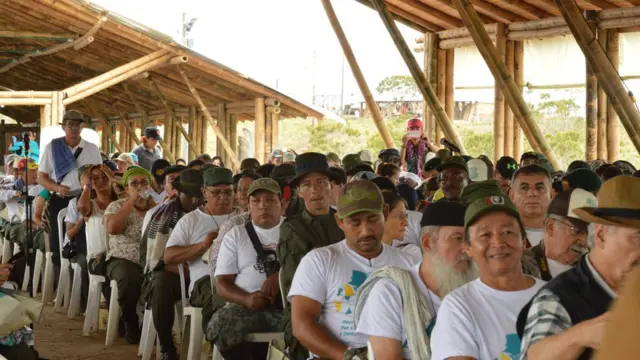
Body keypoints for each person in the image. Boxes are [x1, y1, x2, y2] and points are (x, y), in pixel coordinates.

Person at [288, 180, 418, 359]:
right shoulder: (320, 260)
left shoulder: (408, 262)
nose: (365, 231)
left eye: (372, 219)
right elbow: (302, 324)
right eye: (354, 222)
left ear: (385, 213)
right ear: (339, 221)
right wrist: (350, 357)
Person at [517, 176, 640, 360]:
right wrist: (580, 336)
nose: (581, 240)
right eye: (637, 238)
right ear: (601, 236)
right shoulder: (559, 300)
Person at [430, 180, 545, 360]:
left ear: (524, 241)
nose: (498, 243)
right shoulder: (459, 306)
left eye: (508, 232)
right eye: (485, 235)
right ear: (467, 247)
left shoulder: (553, 296)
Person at [355, 201, 478, 359]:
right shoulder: (391, 292)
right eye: (458, 238)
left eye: (470, 240)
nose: (466, 248)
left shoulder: (478, 289)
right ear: (427, 243)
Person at [277, 152, 345, 360]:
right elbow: (297, 281)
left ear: (330, 186)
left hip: (347, 299)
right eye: (307, 185)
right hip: (307, 306)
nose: (315, 190)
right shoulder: (293, 228)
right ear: (298, 191)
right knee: (305, 334)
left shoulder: (345, 222)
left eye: (321, 182)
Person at [208, 178, 285, 360]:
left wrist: (281, 276)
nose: (263, 206)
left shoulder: (295, 230)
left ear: (281, 203)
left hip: (290, 308)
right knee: (221, 324)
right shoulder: (236, 234)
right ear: (248, 205)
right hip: (249, 308)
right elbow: (222, 283)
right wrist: (247, 299)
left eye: (269, 200)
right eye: (256, 201)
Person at [142, 169, 203, 360]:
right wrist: (181, 269)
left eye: (199, 196)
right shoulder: (160, 215)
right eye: (190, 195)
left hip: (205, 273)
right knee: (161, 285)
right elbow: (150, 256)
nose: (195, 201)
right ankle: (167, 345)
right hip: (173, 273)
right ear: (179, 193)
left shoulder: (210, 215)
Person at [38, 110, 102, 271]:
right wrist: (57, 188)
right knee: (58, 242)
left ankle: (83, 277)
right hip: (59, 199)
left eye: (78, 125)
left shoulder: (92, 149)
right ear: (64, 127)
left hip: (86, 199)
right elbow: (42, 177)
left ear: (82, 127)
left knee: (86, 239)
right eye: (70, 124)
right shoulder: (52, 147)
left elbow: (99, 174)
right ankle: (61, 278)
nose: (74, 128)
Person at [104, 166, 156, 343]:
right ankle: (130, 321)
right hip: (122, 258)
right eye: (134, 183)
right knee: (129, 277)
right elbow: (113, 228)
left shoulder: (157, 208)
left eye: (144, 182)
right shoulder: (117, 205)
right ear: (127, 188)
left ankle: (155, 326)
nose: (140, 187)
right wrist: (130, 203)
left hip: (152, 259)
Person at [526, 188, 596, 281]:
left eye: (590, 233)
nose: (584, 241)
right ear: (550, 226)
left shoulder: (596, 270)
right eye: (576, 230)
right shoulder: (518, 267)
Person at [77, 164, 118, 305]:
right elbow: (82, 207)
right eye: (95, 178)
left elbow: (130, 198)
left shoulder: (120, 202)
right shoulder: (91, 205)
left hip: (119, 256)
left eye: (104, 176)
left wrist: (113, 178)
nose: (101, 180)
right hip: (98, 260)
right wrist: (87, 186)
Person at [509, 165, 552, 248]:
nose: (532, 193)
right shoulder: (502, 234)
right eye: (524, 188)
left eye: (540, 188)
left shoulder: (564, 232)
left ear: (551, 195)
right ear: (512, 196)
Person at [381, 191, 422, 263]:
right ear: (380, 217)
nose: (406, 223)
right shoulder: (358, 256)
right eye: (400, 216)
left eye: (405, 216)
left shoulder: (410, 254)